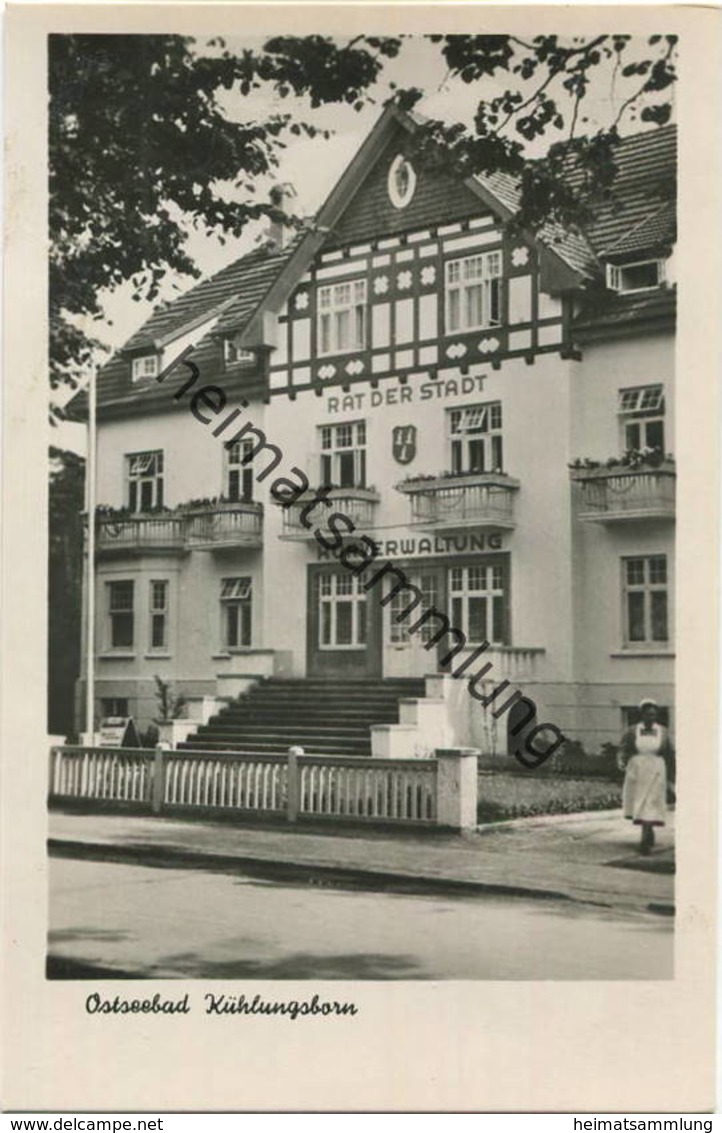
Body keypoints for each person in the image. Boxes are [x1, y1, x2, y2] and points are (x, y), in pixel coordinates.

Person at [618, 698, 674, 854]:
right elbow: (623, 748)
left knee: (650, 802)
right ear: (642, 715)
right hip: (637, 769)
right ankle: (648, 832)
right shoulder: (632, 730)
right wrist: (621, 760)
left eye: (654, 715)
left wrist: (672, 777)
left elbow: (669, 753)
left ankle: (645, 837)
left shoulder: (662, 731)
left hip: (656, 769)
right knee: (640, 802)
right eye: (648, 714)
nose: (651, 718)